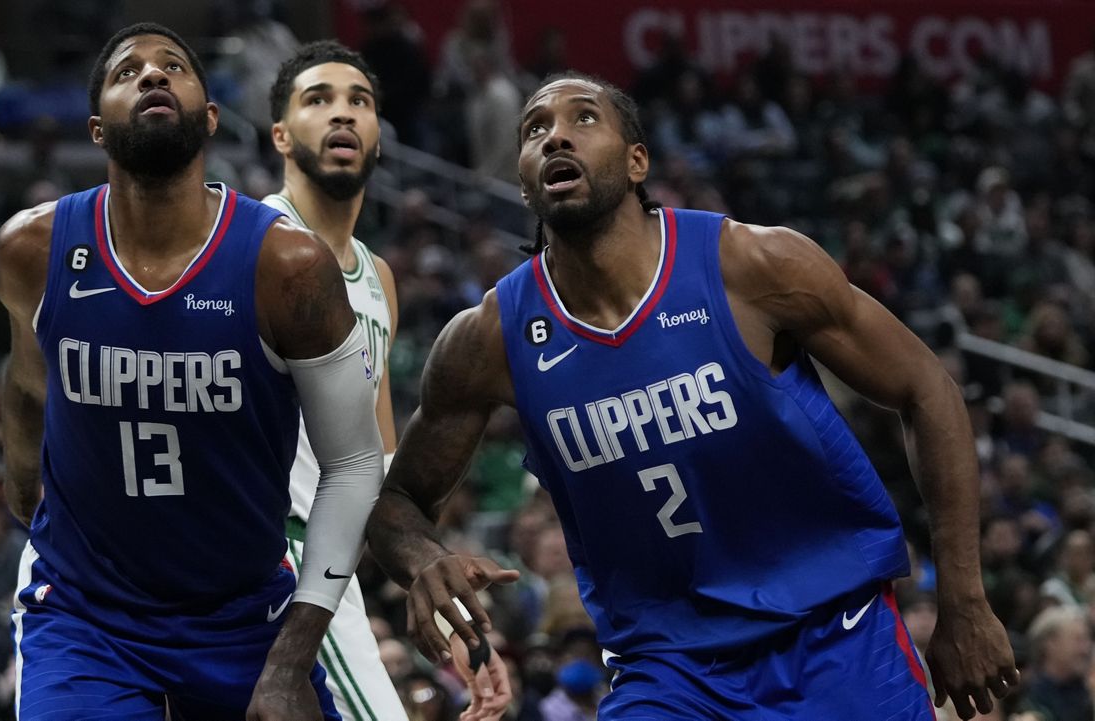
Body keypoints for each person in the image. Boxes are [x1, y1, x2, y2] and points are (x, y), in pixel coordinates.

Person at [367, 73, 1018, 720]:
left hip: (831, 636)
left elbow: (928, 388)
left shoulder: (752, 267)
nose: (556, 135)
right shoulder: (491, 339)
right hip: (668, 670)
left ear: (636, 161)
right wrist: (427, 559)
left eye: (583, 119)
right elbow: (397, 501)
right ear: (523, 179)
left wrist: (964, 599)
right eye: (536, 129)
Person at [0, 23, 383, 720]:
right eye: (126, 72)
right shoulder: (33, 247)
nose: (150, 76)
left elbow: (353, 461)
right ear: (96, 130)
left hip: (245, 616)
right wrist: (27, 497)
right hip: (88, 617)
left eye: (172, 66)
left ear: (209, 119)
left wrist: (293, 655)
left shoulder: (286, 267)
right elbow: (26, 385)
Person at [261, 41, 405, 721]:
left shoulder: (378, 278)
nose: (342, 114)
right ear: (282, 136)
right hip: (273, 546)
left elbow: (379, 456)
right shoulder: (252, 241)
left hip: (330, 566)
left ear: (379, 136)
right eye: (318, 99)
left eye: (360, 102)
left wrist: (430, 581)